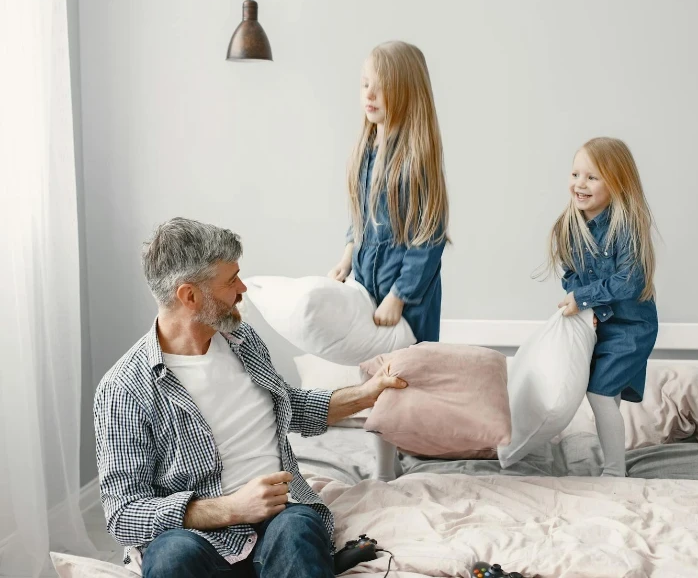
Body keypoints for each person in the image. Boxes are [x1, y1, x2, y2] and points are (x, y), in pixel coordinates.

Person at [94, 217, 406, 577]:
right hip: (193, 535)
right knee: (171, 557)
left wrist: (367, 394)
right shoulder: (125, 389)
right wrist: (230, 509)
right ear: (189, 296)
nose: (242, 288)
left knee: (298, 530)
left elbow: (290, 406)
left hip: (281, 519)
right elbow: (123, 515)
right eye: (230, 281)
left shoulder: (242, 342)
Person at [328, 41, 450, 481]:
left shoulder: (417, 159)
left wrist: (399, 296)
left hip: (406, 292)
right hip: (367, 280)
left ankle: (390, 465)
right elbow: (359, 217)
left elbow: (428, 238)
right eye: (365, 85)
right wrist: (346, 258)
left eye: (381, 88)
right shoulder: (366, 148)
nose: (369, 96)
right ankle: (387, 459)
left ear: (407, 93)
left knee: (398, 377)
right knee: (370, 374)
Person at [549, 137, 659, 477]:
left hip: (630, 328)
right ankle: (615, 463)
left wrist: (585, 299)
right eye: (575, 174)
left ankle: (614, 472)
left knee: (599, 393)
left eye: (592, 177)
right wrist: (580, 303)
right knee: (604, 397)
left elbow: (630, 282)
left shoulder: (626, 227)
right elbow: (570, 273)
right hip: (599, 325)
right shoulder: (570, 226)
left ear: (617, 182)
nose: (580, 184)